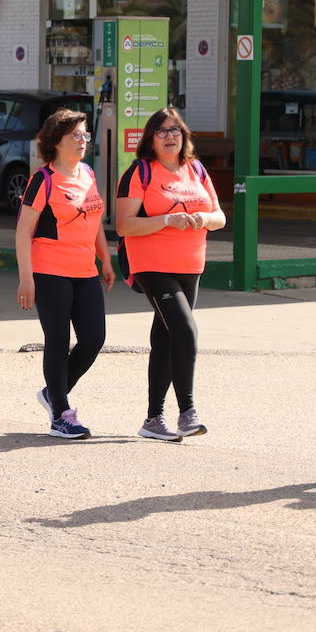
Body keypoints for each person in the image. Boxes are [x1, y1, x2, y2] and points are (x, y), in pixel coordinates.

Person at [115, 108, 225, 442]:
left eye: (175, 129)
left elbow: (219, 216)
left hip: (191, 263)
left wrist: (201, 219)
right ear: (150, 139)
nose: (170, 136)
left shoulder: (196, 169)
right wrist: (167, 220)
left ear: (184, 135)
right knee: (186, 330)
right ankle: (187, 412)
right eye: (161, 131)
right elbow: (123, 224)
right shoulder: (140, 173)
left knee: (164, 339)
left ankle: (152, 419)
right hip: (152, 263)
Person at [15, 108, 113, 439]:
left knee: (94, 339)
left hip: (85, 270)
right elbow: (23, 231)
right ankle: (61, 412)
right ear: (56, 140)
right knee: (57, 340)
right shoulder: (42, 180)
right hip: (49, 270)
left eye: (85, 135)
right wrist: (26, 277)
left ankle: (53, 393)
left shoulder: (87, 173)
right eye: (75, 135)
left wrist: (106, 259)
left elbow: (94, 219)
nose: (82, 141)